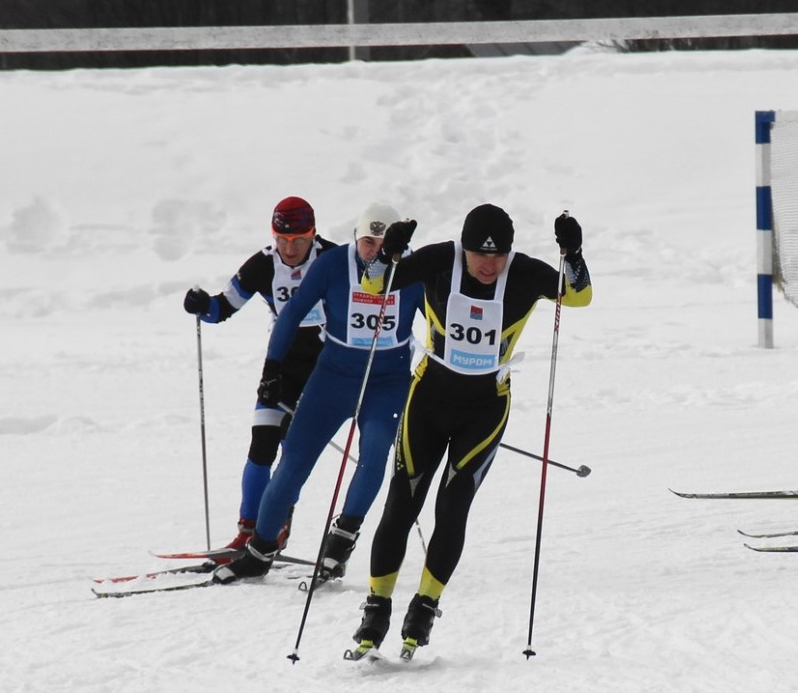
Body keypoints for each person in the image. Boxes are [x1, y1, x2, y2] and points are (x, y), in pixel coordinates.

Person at [347, 204, 592, 656]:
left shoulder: (524, 274)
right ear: (464, 247)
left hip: (485, 408)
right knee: (403, 499)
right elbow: (371, 283)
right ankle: (376, 607)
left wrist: (573, 253)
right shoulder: (440, 259)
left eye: (498, 256)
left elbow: (577, 297)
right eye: (480, 254)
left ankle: (424, 607)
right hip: (428, 399)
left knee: (454, 505)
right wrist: (391, 253)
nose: (488, 264)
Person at [215, 204, 425, 584]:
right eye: (366, 242)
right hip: (333, 377)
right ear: (355, 238)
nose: (374, 252)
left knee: (375, 453)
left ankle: (340, 543)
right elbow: (292, 313)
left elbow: (444, 322)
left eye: (382, 243)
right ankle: (260, 549)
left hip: (386, 382)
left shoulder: (416, 270)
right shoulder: (332, 264)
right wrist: (272, 368)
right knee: (294, 458)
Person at [182, 196, 334, 549]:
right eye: (282, 239)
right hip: (281, 367)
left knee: (292, 450)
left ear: (313, 235)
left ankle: (276, 525)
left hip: (327, 369)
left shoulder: (333, 259)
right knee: (261, 444)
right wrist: (203, 305)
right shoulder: (263, 265)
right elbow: (222, 309)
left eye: (298, 240)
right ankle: (248, 532)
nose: (289, 248)